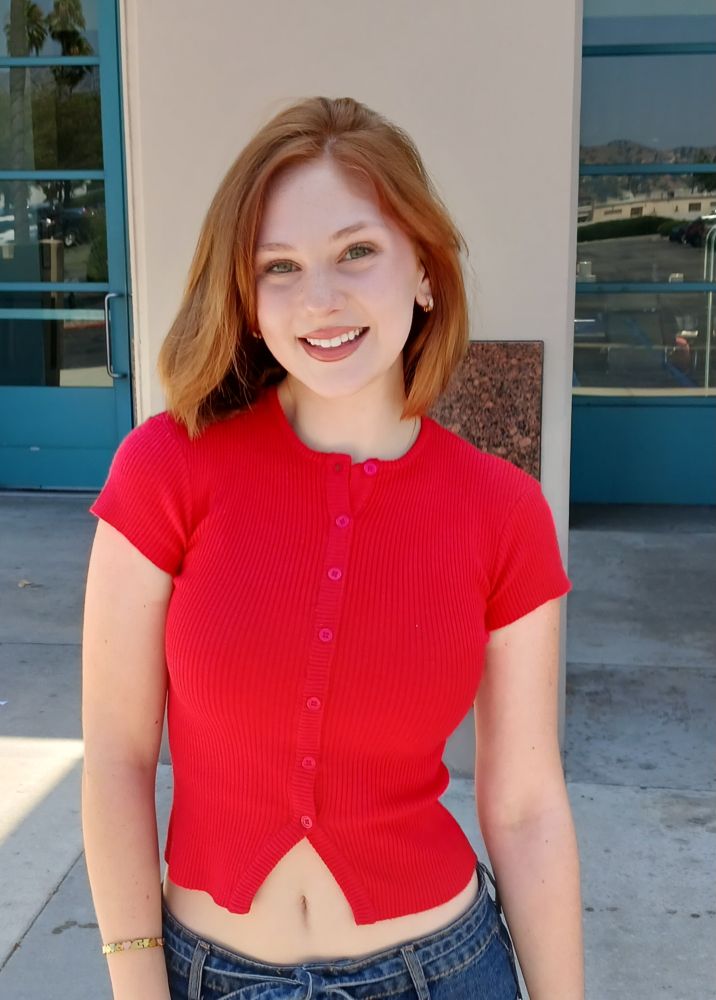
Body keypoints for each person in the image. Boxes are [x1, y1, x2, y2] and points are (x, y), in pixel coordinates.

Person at [81, 95, 584, 1000]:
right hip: (210, 974)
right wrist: (136, 980)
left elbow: (525, 804)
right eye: (279, 266)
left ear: (423, 269)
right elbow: (117, 757)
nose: (321, 299)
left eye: (357, 251)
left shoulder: (504, 511)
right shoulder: (166, 470)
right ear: (246, 299)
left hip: (442, 970)